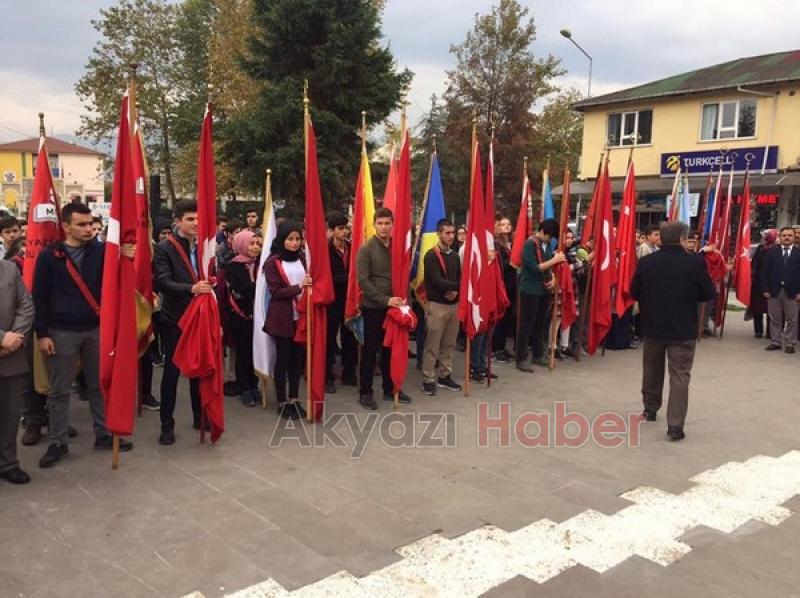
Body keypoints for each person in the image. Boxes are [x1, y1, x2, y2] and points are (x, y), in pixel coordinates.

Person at [32, 203, 135, 467]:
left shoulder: (102, 252)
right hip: (61, 331)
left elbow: (119, 274)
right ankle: (58, 442)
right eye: (81, 224)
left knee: (98, 385)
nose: (88, 229)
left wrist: (125, 254)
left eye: (91, 224)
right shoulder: (49, 256)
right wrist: (42, 333)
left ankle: (103, 435)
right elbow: (40, 297)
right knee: (60, 390)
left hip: (96, 329)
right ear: (66, 227)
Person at [631, 221, 715, 441]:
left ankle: (650, 409)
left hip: (653, 326)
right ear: (681, 239)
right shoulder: (695, 263)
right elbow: (707, 293)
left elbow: (634, 291)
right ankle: (675, 425)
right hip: (683, 329)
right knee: (680, 376)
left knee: (651, 369)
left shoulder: (647, 262)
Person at [153, 200, 211, 445]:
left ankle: (200, 416)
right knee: (172, 372)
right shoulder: (166, 248)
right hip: (175, 318)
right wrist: (191, 288)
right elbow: (163, 282)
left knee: (199, 370)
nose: (196, 223)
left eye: (198, 219)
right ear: (177, 221)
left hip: (200, 316)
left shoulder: (203, 247)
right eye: (190, 219)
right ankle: (167, 423)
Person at [356, 207, 412, 409]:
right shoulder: (366, 249)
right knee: (371, 351)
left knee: (391, 350)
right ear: (374, 225)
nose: (384, 227)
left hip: (395, 308)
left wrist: (403, 302)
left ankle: (390, 388)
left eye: (387, 223)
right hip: (374, 308)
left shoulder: (398, 247)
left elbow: (404, 275)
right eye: (380, 223)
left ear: (393, 225)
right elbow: (363, 281)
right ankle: (365, 392)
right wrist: (385, 300)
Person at [263, 221, 309, 419]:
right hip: (282, 317)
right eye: (290, 239)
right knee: (282, 359)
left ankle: (294, 398)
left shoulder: (302, 259)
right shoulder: (273, 262)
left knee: (296, 360)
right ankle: (281, 400)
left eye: (298, 239)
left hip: (300, 317)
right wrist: (299, 287)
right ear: (282, 239)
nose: (294, 243)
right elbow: (275, 291)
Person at [515, 219, 565, 372]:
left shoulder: (548, 245)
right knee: (526, 324)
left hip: (544, 289)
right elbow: (534, 268)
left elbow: (549, 268)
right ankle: (521, 357)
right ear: (542, 231)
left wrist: (554, 279)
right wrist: (554, 260)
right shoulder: (530, 244)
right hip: (530, 289)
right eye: (549, 237)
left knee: (541, 323)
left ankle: (538, 353)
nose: (551, 240)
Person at [0, 259, 34, 484]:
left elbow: (26, 305)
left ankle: (8, 463)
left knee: (10, 415)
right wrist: (2, 338)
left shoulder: (9, 268)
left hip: (10, 355)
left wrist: (15, 338)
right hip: (6, 343)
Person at [421, 218, 462, 396]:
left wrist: (456, 292)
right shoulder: (431, 255)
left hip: (454, 305)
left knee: (449, 343)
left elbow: (460, 278)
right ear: (439, 234)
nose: (451, 236)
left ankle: (445, 375)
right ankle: (428, 377)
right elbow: (436, 280)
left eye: (453, 233)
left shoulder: (454, 256)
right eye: (447, 233)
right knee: (433, 344)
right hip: (437, 305)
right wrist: (453, 288)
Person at [224, 229, 262, 406]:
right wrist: (259, 286)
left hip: (258, 316)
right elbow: (241, 289)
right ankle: (243, 388)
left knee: (256, 353)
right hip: (241, 316)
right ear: (241, 245)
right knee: (242, 353)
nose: (255, 247)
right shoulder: (233, 266)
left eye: (257, 244)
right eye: (251, 244)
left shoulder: (261, 264)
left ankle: (254, 385)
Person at [325, 212, 357, 393]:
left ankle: (349, 373)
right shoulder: (325, 251)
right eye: (341, 228)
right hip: (332, 301)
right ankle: (327, 376)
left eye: (346, 228)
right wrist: (348, 278)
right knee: (329, 339)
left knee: (349, 337)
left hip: (349, 300)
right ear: (331, 231)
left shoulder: (353, 249)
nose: (345, 232)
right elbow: (327, 277)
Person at [761, 227, 800, 353]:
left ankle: (790, 343)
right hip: (773, 290)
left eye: (789, 235)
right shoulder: (772, 253)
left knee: (793, 319)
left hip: (793, 291)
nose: (787, 237)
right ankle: (775, 341)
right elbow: (764, 272)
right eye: (784, 235)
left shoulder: (798, 253)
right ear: (780, 237)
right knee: (774, 318)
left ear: (794, 237)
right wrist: (765, 289)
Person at [492, 215, 516, 362]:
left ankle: (502, 347)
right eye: (502, 224)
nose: (506, 226)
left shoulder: (511, 244)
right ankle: (495, 349)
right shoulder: (496, 246)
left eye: (508, 224)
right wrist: (513, 262)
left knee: (507, 318)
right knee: (500, 318)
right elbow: (500, 265)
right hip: (501, 285)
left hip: (511, 285)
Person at [748, 229, 777, 338]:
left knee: (772, 310)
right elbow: (753, 264)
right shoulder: (760, 249)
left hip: (773, 283)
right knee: (757, 308)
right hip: (758, 283)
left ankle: (770, 332)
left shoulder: (777, 249)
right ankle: (758, 330)